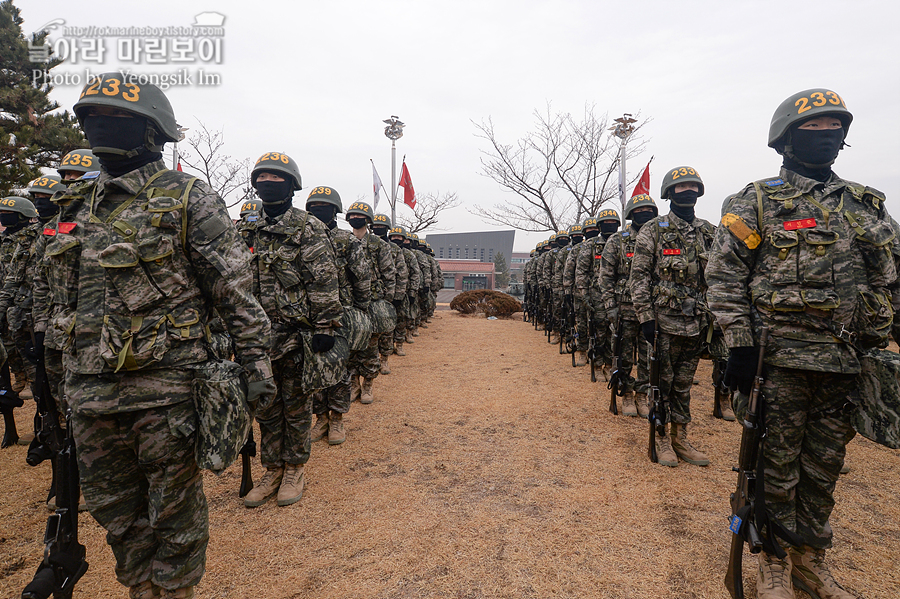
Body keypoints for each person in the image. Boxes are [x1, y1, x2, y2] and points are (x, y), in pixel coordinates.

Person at [32, 72, 275, 599]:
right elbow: (56, 302)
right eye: (92, 118)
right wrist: (51, 383)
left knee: (174, 515)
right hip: (89, 395)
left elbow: (233, 292)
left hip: (166, 394)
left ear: (152, 132)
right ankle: (142, 588)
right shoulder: (72, 207)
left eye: (117, 119)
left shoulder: (189, 198)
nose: (101, 127)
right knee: (114, 512)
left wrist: (256, 367)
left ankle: (175, 592)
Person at [706, 88, 892, 599]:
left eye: (834, 128)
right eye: (812, 129)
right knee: (775, 468)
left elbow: (891, 278)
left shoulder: (865, 204)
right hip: (777, 364)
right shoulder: (756, 201)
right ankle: (771, 563)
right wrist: (739, 345)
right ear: (786, 139)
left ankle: (812, 563)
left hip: (845, 366)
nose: (825, 137)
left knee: (824, 469)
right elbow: (724, 277)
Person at [237, 153, 342, 508]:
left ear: (291, 184)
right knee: (265, 405)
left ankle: (295, 468)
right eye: (262, 176)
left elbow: (324, 279)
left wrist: (326, 324)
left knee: (296, 405)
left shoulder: (308, 227)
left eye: (275, 177)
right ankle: (272, 469)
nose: (268, 182)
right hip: (255, 338)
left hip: (297, 334)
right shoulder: (246, 227)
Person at [630, 167, 716, 467]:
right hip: (663, 325)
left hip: (696, 325)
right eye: (681, 187)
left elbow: (719, 277)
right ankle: (661, 436)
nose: (688, 191)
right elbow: (638, 277)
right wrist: (645, 318)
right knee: (661, 385)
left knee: (683, 385)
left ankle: (681, 436)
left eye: (693, 186)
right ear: (669, 193)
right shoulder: (653, 230)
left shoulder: (709, 231)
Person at [306, 187, 370, 446]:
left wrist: (361, 309)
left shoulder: (347, 240)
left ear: (335, 211)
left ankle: (337, 419)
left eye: (325, 205)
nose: (319, 209)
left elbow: (362, 277)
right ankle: (320, 418)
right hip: (307, 314)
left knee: (339, 368)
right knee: (312, 369)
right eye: (315, 205)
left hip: (340, 314)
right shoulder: (301, 234)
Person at [600, 195, 656, 417]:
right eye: (640, 209)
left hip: (653, 310)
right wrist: (611, 307)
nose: (645, 213)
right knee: (623, 355)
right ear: (631, 213)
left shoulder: (659, 237)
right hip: (625, 310)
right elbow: (605, 277)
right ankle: (627, 392)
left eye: (649, 209)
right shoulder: (618, 240)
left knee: (648, 356)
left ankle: (643, 394)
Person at [344, 201, 395, 403]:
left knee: (371, 346)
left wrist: (386, 303)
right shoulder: (343, 241)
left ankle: (368, 385)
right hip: (349, 302)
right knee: (350, 345)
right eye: (352, 215)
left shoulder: (378, 245)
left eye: (360, 216)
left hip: (373, 301)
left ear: (368, 220)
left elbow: (389, 274)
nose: (356, 219)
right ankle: (354, 383)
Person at [372, 214, 407, 372]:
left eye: (381, 226)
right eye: (376, 226)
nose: (378, 229)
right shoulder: (362, 244)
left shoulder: (394, 250)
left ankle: (384, 358)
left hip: (387, 294)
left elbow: (401, 274)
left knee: (386, 329)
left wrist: (397, 296)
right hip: (366, 295)